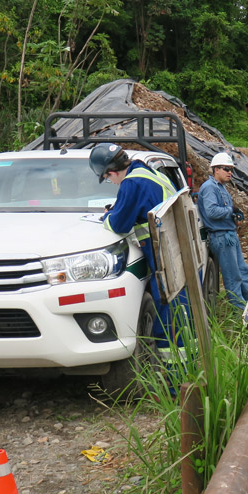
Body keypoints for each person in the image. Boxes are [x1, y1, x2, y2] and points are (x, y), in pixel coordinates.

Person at [88, 143, 186, 351]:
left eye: (108, 179)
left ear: (111, 172)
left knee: (168, 314)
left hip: (163, 255)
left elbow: (118, 225)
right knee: (181, 312)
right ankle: (190, 363)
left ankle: (173, 368)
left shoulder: (131, 183)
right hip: (176, 251)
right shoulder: (150, 173)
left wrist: (107, 216)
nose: (112, 183)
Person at [197, 152, 248, 311]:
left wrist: (234, 215)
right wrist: (230, 210)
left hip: (229, 235)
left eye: (231, 169)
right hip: (221, 237)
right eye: (226, 169)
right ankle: (240, 312)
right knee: (233, 277)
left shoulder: (220, 187)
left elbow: (224, 210)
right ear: (216, 169)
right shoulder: (209, 188)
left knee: (242, 273)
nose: (230, 173)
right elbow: (212, 211)